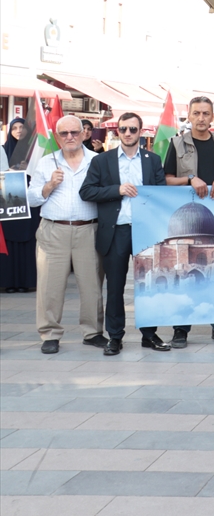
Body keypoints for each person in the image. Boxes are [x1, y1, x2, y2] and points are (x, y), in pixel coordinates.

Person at [79, 112, 169, 355]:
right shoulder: (102, 160)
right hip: (116, 231)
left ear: (141, 132)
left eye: (132, 129)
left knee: (148, 286)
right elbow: (86, 192)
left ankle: (149, 335)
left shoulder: (153, 160)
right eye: (123, 129)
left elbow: (161, 194)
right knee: (115, 287)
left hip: (145, 232)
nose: (128, 133)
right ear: (116, 132)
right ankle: (115, 337)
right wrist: (116, 190)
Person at [163, 96, 214, 346]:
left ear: (212, 117)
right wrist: (190, 179)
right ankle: (180, 330)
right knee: (182, 276)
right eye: (196, 113)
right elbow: (166, 179)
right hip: (188, 215)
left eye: (206, 113)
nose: (201, 118)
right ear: (189, 115)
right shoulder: (176, 144)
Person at [27, 115, 105, 354]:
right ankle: (50, 334)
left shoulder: (98, 161)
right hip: (54, 229)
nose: (70, 137)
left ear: (84, 134)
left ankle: (93, 332)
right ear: (57, 137)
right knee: (50, 284)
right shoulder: (45, 163)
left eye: (74, 132)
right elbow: (31, 198)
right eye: (64, 134)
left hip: (89, 228)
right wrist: (49, 185)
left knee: (92, 284)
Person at [2, 118, 38, 293]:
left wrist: (29, 169)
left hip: (29, 206)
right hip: (9, 205)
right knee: (9, 242)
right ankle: (8, 282)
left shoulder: (35, 153)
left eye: (21, 127)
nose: (18, 130)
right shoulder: (2, 151)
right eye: (14, 128)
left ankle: (26, 281)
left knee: (27, 241)